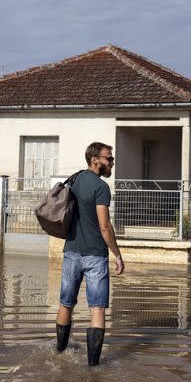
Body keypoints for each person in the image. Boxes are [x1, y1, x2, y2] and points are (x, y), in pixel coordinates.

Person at [55, 142, 125, 366]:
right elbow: (105, 226)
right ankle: (94, 367)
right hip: (95, 254)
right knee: (97, 308)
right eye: (108, 158)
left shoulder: (75, 180)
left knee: (66, 303)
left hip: (71, 251)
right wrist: (117, 254)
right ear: (95, 159)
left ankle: (59, 353)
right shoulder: (101, 187)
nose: (111, 162)